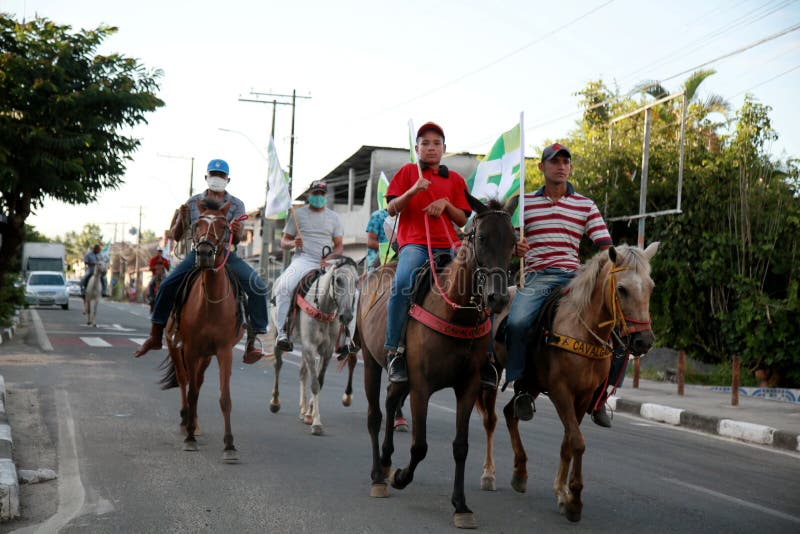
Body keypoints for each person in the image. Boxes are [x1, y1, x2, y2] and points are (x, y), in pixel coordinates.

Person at [506, 143, 613, 423]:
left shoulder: (585, 204)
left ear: (570, 168)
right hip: (538, 276)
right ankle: (521, 389)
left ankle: (601, 397)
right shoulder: (525, 203)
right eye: (554, 162)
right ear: (541, 167)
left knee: (617, 323)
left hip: (575, 277)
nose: (561, 166)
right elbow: (506, 245)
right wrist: (514, 249)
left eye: (566, 162)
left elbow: (605, 245)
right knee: (516, 322)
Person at [384, 121, 494, 385]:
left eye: (436, 143)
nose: (431, 148)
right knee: (401, 285)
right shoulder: (408, 172)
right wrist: (413, 190)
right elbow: (391, 209)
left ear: (444, 148)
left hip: (449, 245)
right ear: (417, 148)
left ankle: (488, 359)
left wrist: (445, 204)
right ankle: (394, 351)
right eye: (425, 143)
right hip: (416, 244)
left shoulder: (455, 179)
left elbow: (462, 219)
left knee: (483, 283)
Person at [134, 159, 270, 364]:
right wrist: (181, 219)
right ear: (206, 177)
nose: (217, 178)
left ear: (228, 179)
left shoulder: (237, 204)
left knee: (257, 286)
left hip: (225, 255)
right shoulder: (193, 202)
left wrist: (236, 231)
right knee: (167, 285)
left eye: (221, 175)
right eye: (213, 174)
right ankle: (155, 335)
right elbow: (178, 235)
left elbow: (240, 237)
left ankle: (253, 341)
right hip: (197, 255)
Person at [273, 180, 344, 351]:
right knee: (284, 286)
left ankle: (347, 339)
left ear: (325, 196)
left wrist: (330, 258)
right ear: (309, 195)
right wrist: (292, 243)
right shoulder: (297, 214)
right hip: (303, 260)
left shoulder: (335, 217)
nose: (318, 196)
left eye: (321, 194)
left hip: (326, 262)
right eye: (315, 193)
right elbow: (283, 242)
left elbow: (339, 246)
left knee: (351, 291)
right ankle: (282, 332)